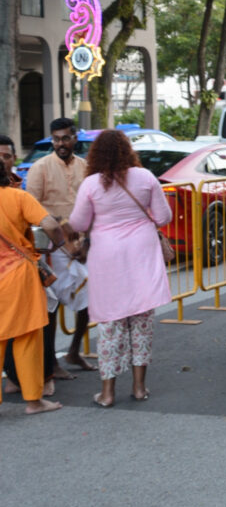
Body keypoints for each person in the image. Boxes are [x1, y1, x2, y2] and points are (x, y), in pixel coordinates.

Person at [69, 130, 172, 406]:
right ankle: (139, 387)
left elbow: (78, 223)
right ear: (128, 150)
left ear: (97, 154)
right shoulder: (146, 177)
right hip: (142, 254)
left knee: (111, 325)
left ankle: (107, 392)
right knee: (141, 323)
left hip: (107, 258)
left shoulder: (91, 184)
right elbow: (163, 217)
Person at [1, 162, 71, 414]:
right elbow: (50, 224)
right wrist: (58, 243)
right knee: (27, 336)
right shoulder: (18, 196)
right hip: (18, 275)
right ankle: (34, 401)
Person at [26, 117, 93, 374]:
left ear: (75, 138)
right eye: (56, 139)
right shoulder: (40, 168)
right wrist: (60, 226)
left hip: (80, 246)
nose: (61, 143)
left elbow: (91, 205)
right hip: (52, 249)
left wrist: (86, 241)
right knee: (51, 305)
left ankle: (74, 351)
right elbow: (32, 207)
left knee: (89, 299)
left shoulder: (85, 167)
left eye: (65, 138)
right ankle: (51, 362)